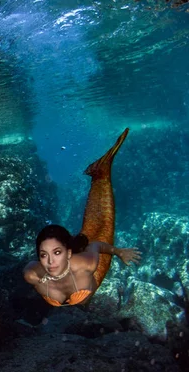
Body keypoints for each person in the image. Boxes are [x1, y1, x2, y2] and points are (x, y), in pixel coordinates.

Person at [23, 128, 141, 306]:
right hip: (71, 264)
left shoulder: (86, 265)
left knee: (102, 228)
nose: (50, 261)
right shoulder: (32, 273)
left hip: (90, 270)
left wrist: (119, 252)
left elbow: (95, 245)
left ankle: (100, 174)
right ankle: (99, 173)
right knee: (93, 229)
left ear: (69, 253)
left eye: (56, 253)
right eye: (43, 255)